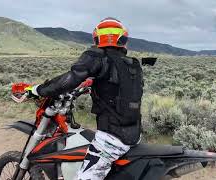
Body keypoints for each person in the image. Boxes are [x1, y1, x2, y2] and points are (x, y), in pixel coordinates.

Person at [27, 17, 143, 180]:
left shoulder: (98, 57)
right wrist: (92, 83)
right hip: (134, 133)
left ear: (97, 37)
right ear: (122, 39)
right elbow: (117, 87)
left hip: (112, 138)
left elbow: (69, 79)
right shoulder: (131, 64)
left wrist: (39, 90)